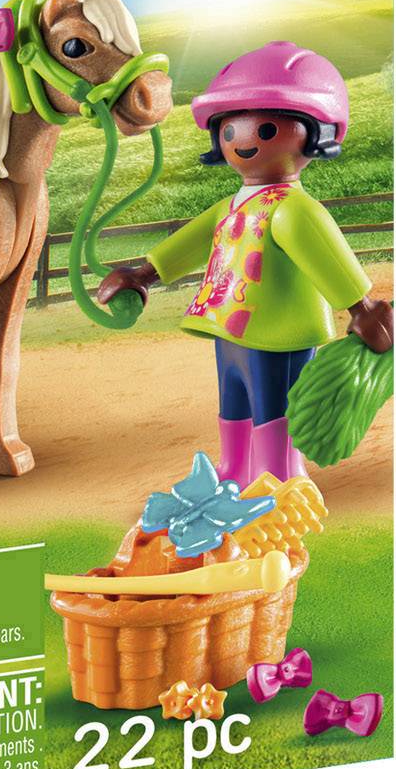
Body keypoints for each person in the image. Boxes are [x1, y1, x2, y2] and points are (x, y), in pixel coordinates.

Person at [97, 41, 393, 485]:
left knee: (275, 405)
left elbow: (327, 256)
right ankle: (233, 469)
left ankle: (279, 476)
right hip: (229, 326)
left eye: (266, 129)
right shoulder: (233, 205)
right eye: (230, 129)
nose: (244, 140)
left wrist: (361, 307)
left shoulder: (294, 209)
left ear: (316, 132)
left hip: (279, 334)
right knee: (233, 399)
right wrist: (144, 274)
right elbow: (193, 240)